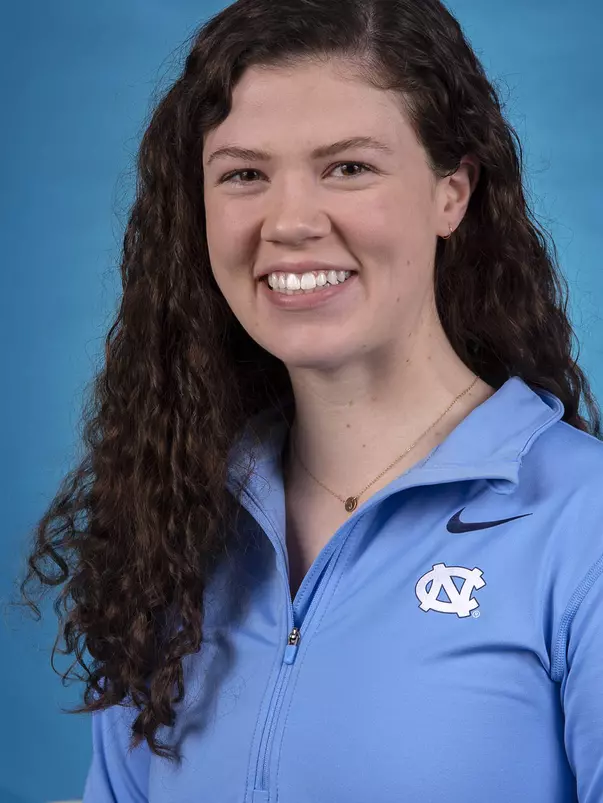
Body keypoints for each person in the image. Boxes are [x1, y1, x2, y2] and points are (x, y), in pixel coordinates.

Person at [16, 0, 603, 800]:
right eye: (244, 174)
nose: (289, 221)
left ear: (451, 194)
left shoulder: (581, 524)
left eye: (348, 167)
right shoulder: (172, 528)